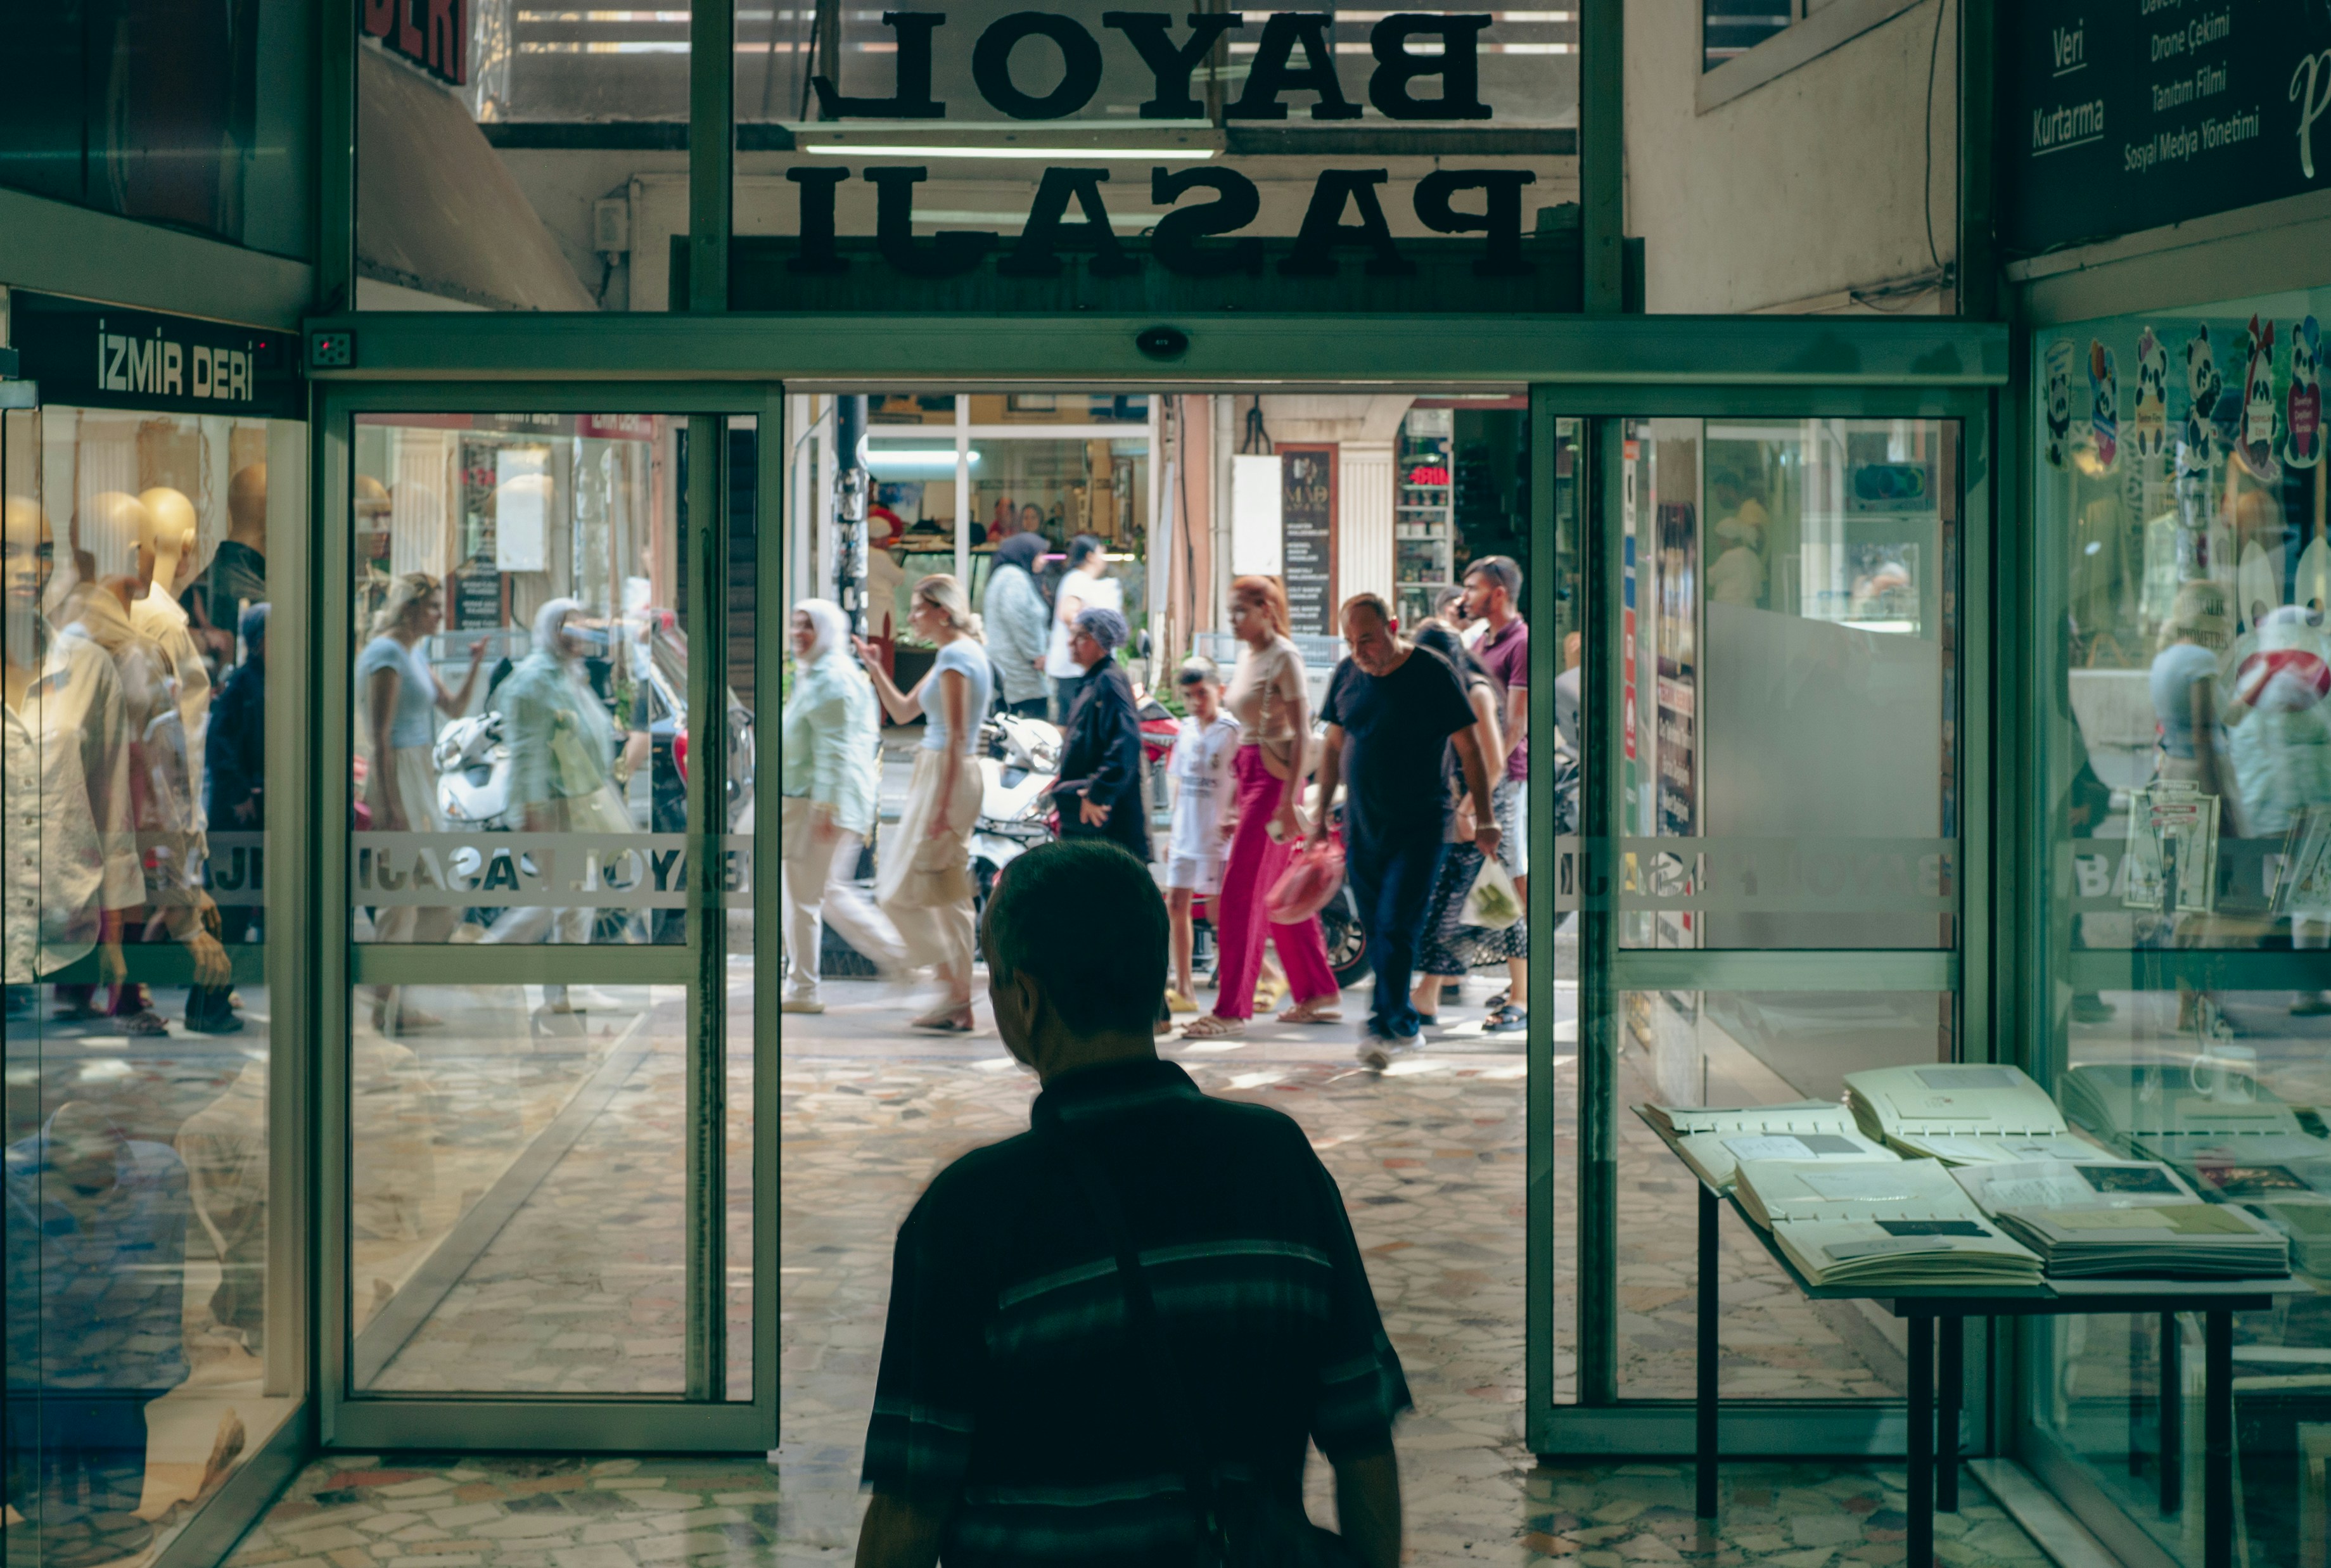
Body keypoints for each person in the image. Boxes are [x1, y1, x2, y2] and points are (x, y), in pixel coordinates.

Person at [852, 838, 1407, 1568]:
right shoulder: (1278, 1167)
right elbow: (1362, 1440)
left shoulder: (968, 1213)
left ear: (1026, 997)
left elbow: (911, 1502)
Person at [1317, 594, 1499, 1064]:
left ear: (1392, 626)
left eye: (1368, 639)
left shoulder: (1432, 672)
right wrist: (1319, 810)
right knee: (1378, 928)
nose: (1360, 651)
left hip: (1420, 824)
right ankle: (1402, 1021)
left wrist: (1484, 816)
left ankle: (1385, 1026)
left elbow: (1471, 749)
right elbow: (1333, 746)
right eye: (1351, 642)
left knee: (1396, 924)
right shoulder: (1347, 675)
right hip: (1363, 825)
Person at [1184, 577, 1341, 1041]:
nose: (1231, 619)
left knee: (1239, 893)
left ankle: (1230, 1008)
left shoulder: (1283, 656)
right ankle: (1319, 992)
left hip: (1275, 783)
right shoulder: (1249, 654)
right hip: (1251, 774)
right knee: (1279, 894)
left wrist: (1289, 799)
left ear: (1265, 608)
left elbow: (1302, 730)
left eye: (1239, 611)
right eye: (1229, 610)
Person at [4, 499, 139, 1013]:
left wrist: (115, 930)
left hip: (64, 936)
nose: (27, 569)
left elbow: (112, 808)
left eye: (41, 553)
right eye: (6, 551)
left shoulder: (89, 668)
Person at [480, 597, 633, 1020]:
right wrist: (533, 812)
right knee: (563, 897)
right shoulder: (534, 682)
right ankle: (488, 958)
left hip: (575, 803)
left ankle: (567, 988)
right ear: (551, 630)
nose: (580, 633)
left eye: (583, 625)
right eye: (570, 626)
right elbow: (529, 753)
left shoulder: (567, 676)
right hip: (553, 806)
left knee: (574, 899)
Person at [859, 575, 991, 1033]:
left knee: (918, 890)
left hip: (946, 773)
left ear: (942, 611)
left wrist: (941, 805)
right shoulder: (953, 654)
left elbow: (955, 734)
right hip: (939, 771)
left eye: (917, 608)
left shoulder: (956, 655)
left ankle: (955, 989)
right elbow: (901, 712)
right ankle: (955, 995)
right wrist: (876, 667)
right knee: (940, 890)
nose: (910, 617)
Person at [357, 573, 487, 1033]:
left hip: (420, 775)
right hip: (398, 776)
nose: (439, 613)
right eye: (432, 606)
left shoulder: (413, 652)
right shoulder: (385, 655)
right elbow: (380, 736)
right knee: (401, 898)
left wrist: (475, 665)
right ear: (410, 607)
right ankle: (387, 1005)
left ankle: (392, 994)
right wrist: (391, 806)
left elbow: (452, 707)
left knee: (439, 896)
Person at [781, 599, 907, 1016]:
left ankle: (804, 987)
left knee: (807, 897)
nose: (798, 632)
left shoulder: (831, 679)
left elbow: (836, 749)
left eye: (808, 626)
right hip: (818, 800)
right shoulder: (820, 673)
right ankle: (899, 957)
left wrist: (826, 807)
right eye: (796, 624)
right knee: (824, 893)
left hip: (821, 804)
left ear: (828, 631)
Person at [1408, 621, 1519, 1030]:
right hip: (1461, 809)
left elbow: (1493, 764)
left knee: (1478, 904)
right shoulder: (1445, 689)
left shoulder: (1475, 692)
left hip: (1482, 810)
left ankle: (1433, 993)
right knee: (1455, 905)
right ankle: (1431, 991)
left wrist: (1471, 810)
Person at [186, 602, 269, 1033]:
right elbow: (221, 749)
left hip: (251, 826)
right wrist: (240, 794)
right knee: (229, 916)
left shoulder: (263, 682)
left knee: (238, 916)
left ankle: (212, 1002)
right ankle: (205, 1005)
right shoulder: (241, 685)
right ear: (257, 642)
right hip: (236, 826)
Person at [1463, 555, 1530, 1033]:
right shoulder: (1480, 640)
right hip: (1485, 777)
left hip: (1508, 777)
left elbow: (1515, 724)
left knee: (1510, 880)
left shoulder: (1520, 643)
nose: (1465, 596)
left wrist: (1484, 785)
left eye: (1473, 587)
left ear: (1499, 593)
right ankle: (1518, 981)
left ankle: (1524, 996)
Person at [1162, 657, 1239, 1013]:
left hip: (1215, 837)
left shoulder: (1231, 731)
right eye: (1190, 696)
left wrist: (1235, 815)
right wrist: (1174, 833)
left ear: (1219, 691)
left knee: (1217, 914)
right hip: (1186, 834)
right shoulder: (1187, 730)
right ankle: (1185, 988)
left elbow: (1243, 780)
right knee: (1176, 905)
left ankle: (1258, 975)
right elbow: (1180, 784)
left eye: (1202, 694)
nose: (1196, 703)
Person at [1051, 607, 1150, 865]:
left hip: (1104, 817)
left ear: (1102, 642)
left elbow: (1125, 741)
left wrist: (1098, 793)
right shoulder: (1093, 680)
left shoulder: (1109, 681)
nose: (1070, 642)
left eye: (1081, 636)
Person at [1043, 535, 1120, 723]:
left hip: (1078, 669)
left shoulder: (1083, 581)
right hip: (1073, 671)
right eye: (1102, 552)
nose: (1104, 558)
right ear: (1090, 555)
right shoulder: (1077, 580)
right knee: (1076, 723)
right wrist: (1094, 639)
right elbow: (1068, 613)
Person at [981, 532, 1052, 717]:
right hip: (1018, 669)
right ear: (1026, 553)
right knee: (1032, 728)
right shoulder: (1014, 579)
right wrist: (1036, 654)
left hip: (1007, 667)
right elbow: (1021, 623)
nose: (1044, 560)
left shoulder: (1004, 576)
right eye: (1040, 554)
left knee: (1003, 725)